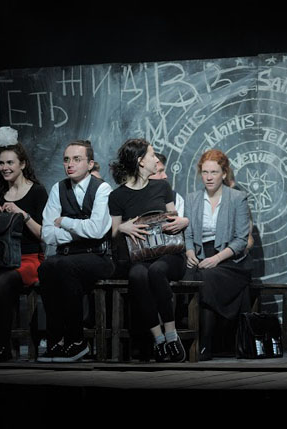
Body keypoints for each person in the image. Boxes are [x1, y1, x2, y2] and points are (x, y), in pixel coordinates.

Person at [108, 138, 189, 362]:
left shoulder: (162, 187)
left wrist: (184, 221)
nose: (156, 160)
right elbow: (113, 232)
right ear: (140, 161)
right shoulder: (117, 196)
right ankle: (158, 338)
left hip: (170, 254)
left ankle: (171, 335)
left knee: (157, 271)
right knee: (137, 275)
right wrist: (122, 227)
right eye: (152, 155)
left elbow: (174, 217)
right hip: (141, 256)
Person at [37, 139, 115, 362]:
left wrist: (65, 222)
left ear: (90, 164)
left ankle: (77, 341)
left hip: (97, 256)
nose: (70, 164)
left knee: (64, 267)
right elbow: (47, 233)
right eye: (66, 159)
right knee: (46, 268)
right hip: (66, 255)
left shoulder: (102, 189)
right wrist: (78, 231)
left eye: (77, 159)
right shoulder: (58, 188)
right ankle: (55, 341)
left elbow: (97, 230)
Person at [0, 126, 48, 363]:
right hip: (1, 259)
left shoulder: (37, 192)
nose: (5, 167)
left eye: (10, 163)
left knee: (0, 282)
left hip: (29, 259)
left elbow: (44, 235)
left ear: (22, 164)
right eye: (1, 163)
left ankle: (3, 345)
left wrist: (22, 214)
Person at [183, 149, 252, 361]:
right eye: (205, 172)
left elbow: (241, 240)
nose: (209, 177)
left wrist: (217, 258)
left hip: (230, 260)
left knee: (205, 278)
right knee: (190, 277)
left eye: (214, 172)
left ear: (224, 173)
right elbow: (188, 233)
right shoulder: (192, 199)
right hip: (200, 256)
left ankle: (205, 344)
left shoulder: (237, 198)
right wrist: (189, 251)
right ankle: (186, 343)